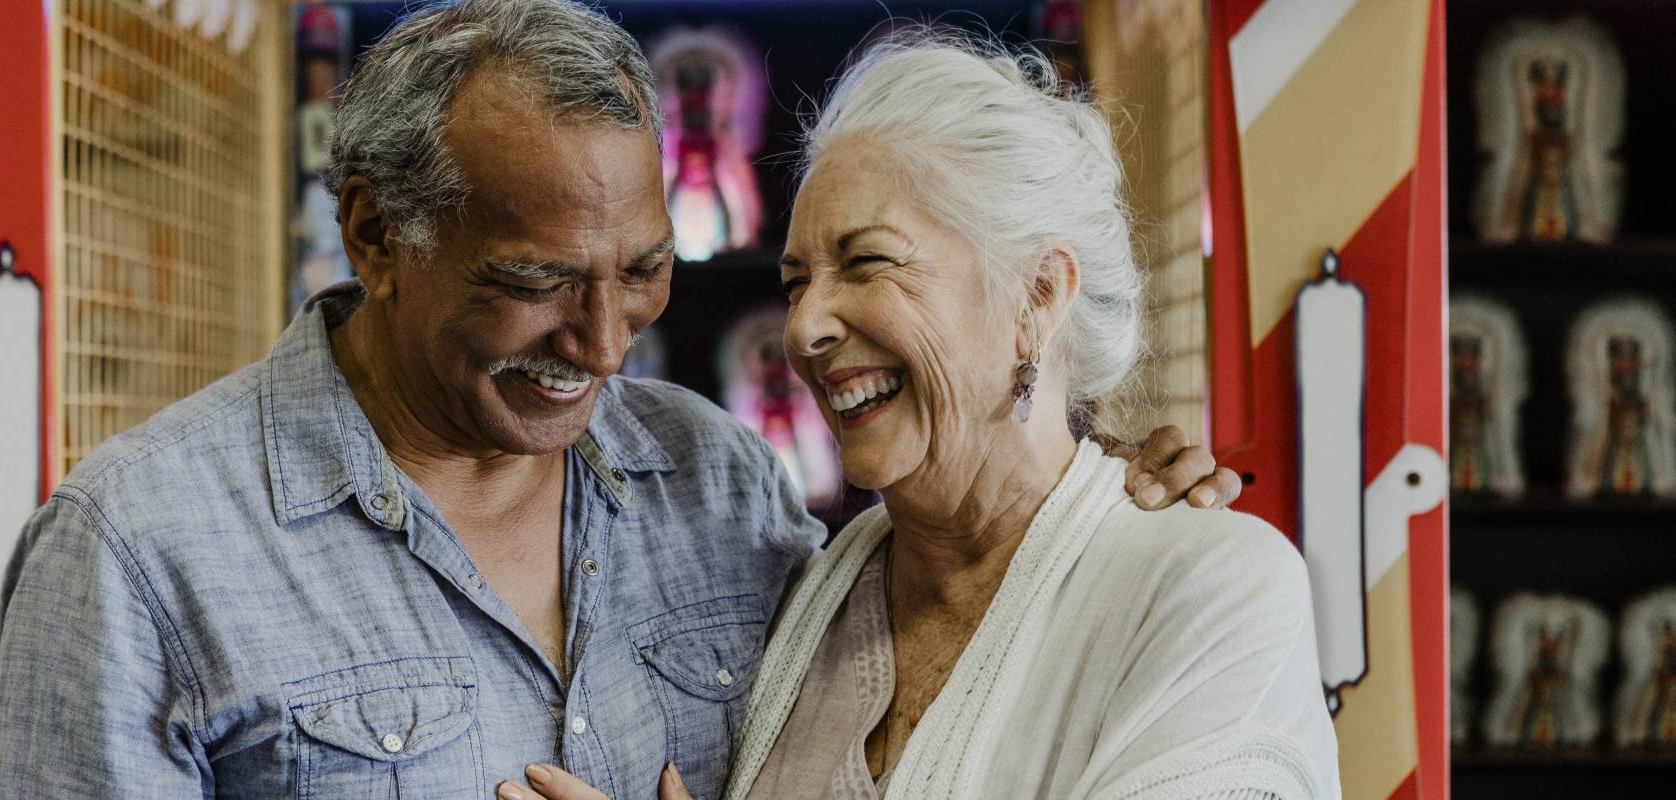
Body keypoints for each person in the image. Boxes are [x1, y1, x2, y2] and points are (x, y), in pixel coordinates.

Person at [0, 3, 1237, 799]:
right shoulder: (137, 550)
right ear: (373, 230)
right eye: (534, 283)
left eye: (642, 275)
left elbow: (942, 623)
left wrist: (1092, 490)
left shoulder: (719, 481)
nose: (600, 343)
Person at [501, 30, 1336, 800]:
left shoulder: (1213, 588)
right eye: (796, 283)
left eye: (867, 264)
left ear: (1036, 296)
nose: (803, 328)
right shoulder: (809, 595)